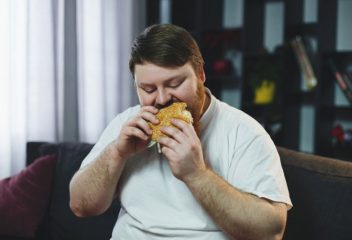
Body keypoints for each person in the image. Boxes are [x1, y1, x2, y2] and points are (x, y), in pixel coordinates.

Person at [69, 23, 292, 240]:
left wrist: (196, 174)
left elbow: (270, 232)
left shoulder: (244, 132)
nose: (162, 98)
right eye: (148, 89)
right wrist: (117, 152)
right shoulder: (127, 124)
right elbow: (80, 206)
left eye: (174, 84)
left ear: (201, 74)